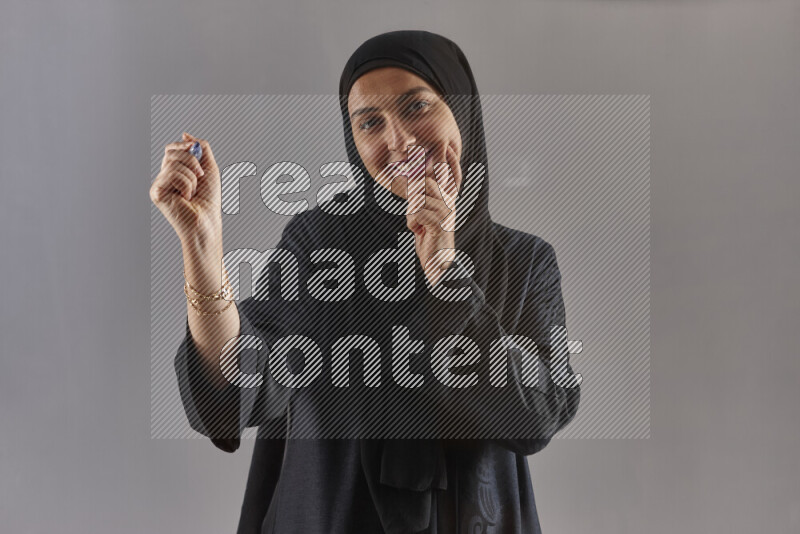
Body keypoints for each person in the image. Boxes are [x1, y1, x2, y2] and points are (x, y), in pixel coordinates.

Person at [151, 30, 581, 534]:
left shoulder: (524, 261)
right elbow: (241, 385)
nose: (398, 140)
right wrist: (202, 248)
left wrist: (444, 269)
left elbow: (533, 419)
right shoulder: (320, 243)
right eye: (370, 123)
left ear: (461, 108)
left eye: (417, 107)